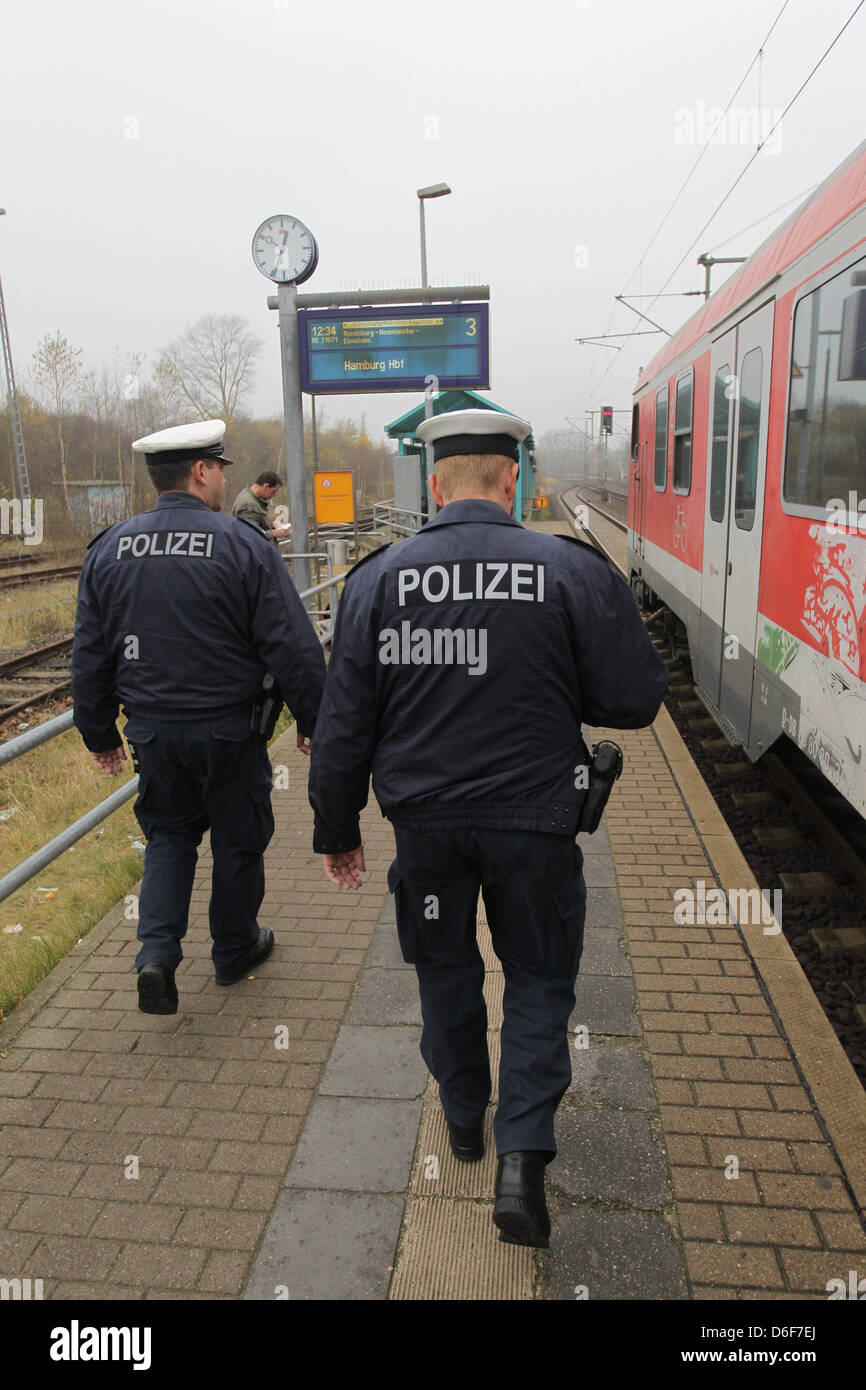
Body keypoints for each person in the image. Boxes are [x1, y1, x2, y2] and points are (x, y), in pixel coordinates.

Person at [307, 407, 668, 1249]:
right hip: (537, 828)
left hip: (426, 831)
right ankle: (522, 1162)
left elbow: (344, 723)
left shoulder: (379, 580)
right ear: (514, 479)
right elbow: (635, 699)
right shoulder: (567, 570)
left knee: (445, 970)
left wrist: (336, 830)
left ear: (436, 483)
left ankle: (464, 1121)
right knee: (540, 980)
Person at [71, 419, 326, 1016]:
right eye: (219, 469)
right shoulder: (243, 544)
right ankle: (234, 950)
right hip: (229, 730)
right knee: (239, 839)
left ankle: (156, 956)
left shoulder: (109, 549)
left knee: (169, 834)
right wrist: (314, 719)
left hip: (153, 732)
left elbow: (89, 653)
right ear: (201, 471)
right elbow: (291, 645)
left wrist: (98, 731)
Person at [232, 470, 290, 541]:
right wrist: (274, 533)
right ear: (266, 487)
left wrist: (271, 524)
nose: (273, 495)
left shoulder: (251, 497)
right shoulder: (248, 505)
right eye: (273, 491)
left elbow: (256, 524)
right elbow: (248, 535)